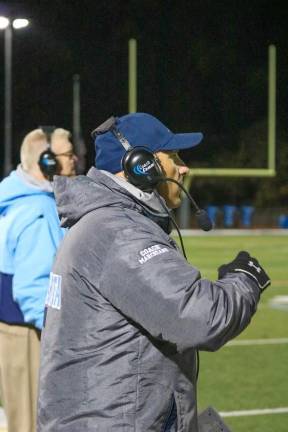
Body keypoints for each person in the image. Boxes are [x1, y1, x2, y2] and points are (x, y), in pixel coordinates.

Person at [37, 113, 270, 432]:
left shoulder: (105, 224)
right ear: (141, 165)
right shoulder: (120, 232)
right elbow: (201, 316)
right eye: (174, 157)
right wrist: (246, 279)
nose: (184, 168)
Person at [0, 127, 77, 432]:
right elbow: (33, 289)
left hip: (17, 331)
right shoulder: (37, 209)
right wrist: (57, 337)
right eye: (68, 154)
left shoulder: (20, 197)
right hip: (29, 333)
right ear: (47, 162)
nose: (75, 160)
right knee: (31, 425)